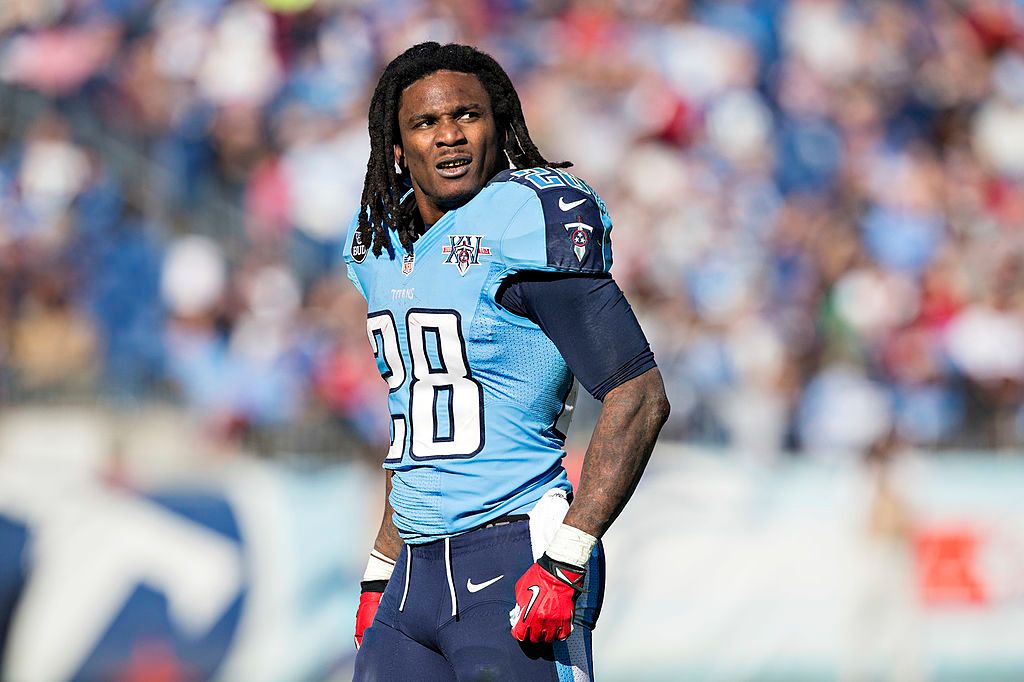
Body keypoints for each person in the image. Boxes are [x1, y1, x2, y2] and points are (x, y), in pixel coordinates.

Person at [344, 42, 670, 681]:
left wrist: (568, 554)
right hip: (412, 572)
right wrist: (381, 568)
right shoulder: (380, 243)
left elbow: (639, 393)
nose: (449, 136)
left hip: (514, 550)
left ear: (499, 125)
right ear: (396, 147)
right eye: (425, 123)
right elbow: (420, 419)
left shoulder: (522, 220)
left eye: (467, 115)